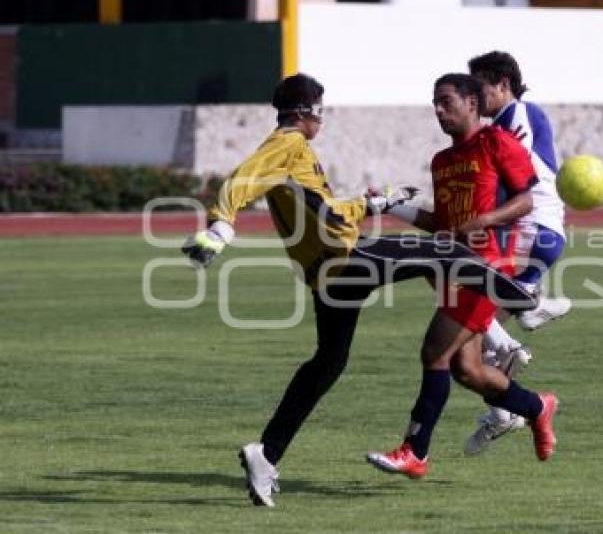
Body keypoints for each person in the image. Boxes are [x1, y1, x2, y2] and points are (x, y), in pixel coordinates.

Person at [181, 73, 539, 508]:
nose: (322, 121)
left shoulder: (291, 151)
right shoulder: (289, 143)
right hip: (346, 261)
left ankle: (267, 454)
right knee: (443, 250)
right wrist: (221, 223)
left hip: (323, 275)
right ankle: (522, 299)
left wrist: (376, 204)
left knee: (327, 364)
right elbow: (244, 178)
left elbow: (325, 211)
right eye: (321, 111)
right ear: (306, 112)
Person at [365, 73, 559, 479]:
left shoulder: (497, 142)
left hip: (488, 268)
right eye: (435, 102)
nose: (438, 110)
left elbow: (527, 200)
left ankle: (415, 451)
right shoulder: (443, 161)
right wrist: (391, 207)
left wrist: (486, 220)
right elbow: (442, 222)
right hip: (454, 266)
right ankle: (538, 407)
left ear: (472, 103)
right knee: (466, 369)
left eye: (446, 101)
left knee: (434, 351)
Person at [462, 51, 571, 455]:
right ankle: (504, 411)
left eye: (480, 88)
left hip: (531, 227)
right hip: (539, 231)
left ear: (503, 84)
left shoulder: (519, 113)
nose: (474, 97)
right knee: (471, 338)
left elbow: (515, 172)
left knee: (456, 280)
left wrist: (482, 214)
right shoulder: (501, 124)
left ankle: (528, 306)